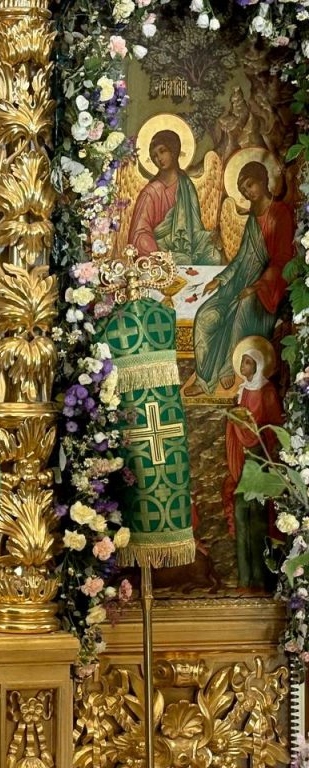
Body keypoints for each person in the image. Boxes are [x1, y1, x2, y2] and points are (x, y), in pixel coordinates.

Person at [184, 161, 294, 396]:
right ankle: (204, 380)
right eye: (243, 190)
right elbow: (241, 258)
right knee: (205, 316)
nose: (247, 193)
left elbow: (282, 260)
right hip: (237, 285)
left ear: (264, 181)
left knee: (242, 309)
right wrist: (221, 279)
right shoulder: (253, 218)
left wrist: (256, 287)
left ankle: (227, 369)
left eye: (250, 185)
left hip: (266, 290)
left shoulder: (280, 213)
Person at [223, 338, 282, 590]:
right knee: (241, 515)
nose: (244, 367)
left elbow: (273, 428)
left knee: (257, 518)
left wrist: (249, 430)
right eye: (243, 362)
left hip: (259, 459)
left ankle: (260, 577)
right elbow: (238, 421)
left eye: (248, 363)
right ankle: (244, 578)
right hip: (245, 457)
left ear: (258, 366)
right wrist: (236, 422)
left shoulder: (267, 391)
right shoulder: (244, 390)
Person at [127, 129, 223, 266]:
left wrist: (208, 237)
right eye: (154, 156)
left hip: (187, 245)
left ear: (173, 150)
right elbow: (139, 233)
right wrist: (159, 254)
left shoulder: (186, 185)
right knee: (183, 260)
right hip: (160, 250)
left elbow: (195, 227)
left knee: (213, 257)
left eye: (162, 151)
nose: (159, 158)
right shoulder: (151, 192)